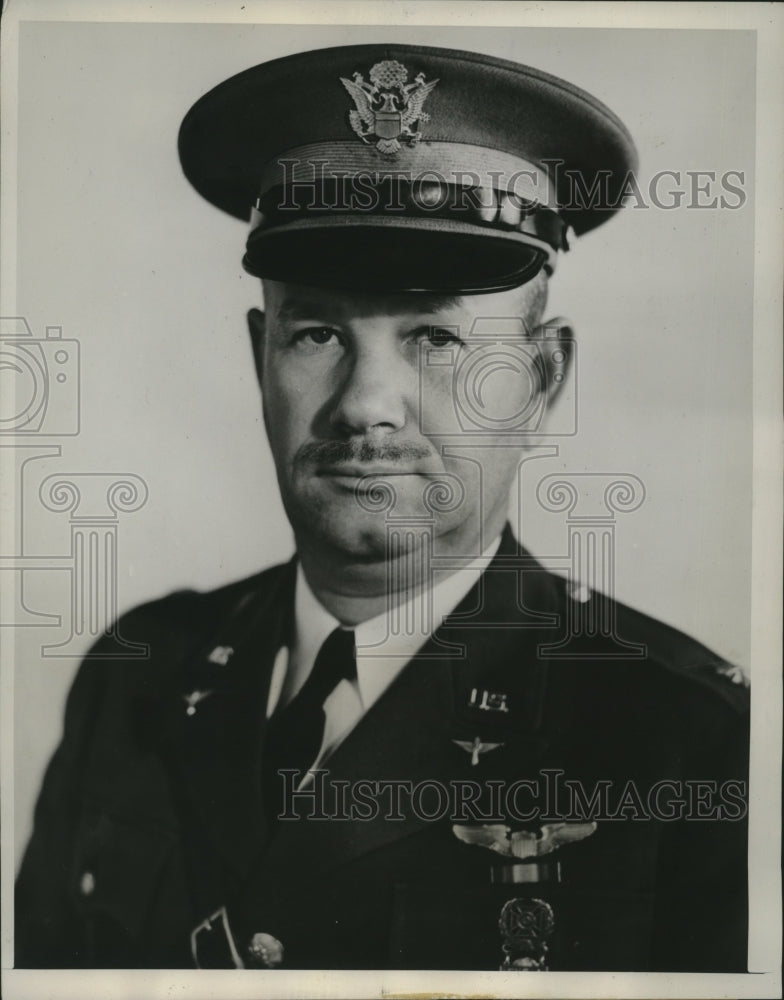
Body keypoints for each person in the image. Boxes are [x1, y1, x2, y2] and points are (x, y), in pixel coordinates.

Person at [15, 42, 749, 973]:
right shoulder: (137, 680)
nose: (365, 404)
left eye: (437, 336)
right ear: (259, 360)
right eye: (315, 332)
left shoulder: (689, 743)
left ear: (540, 379)